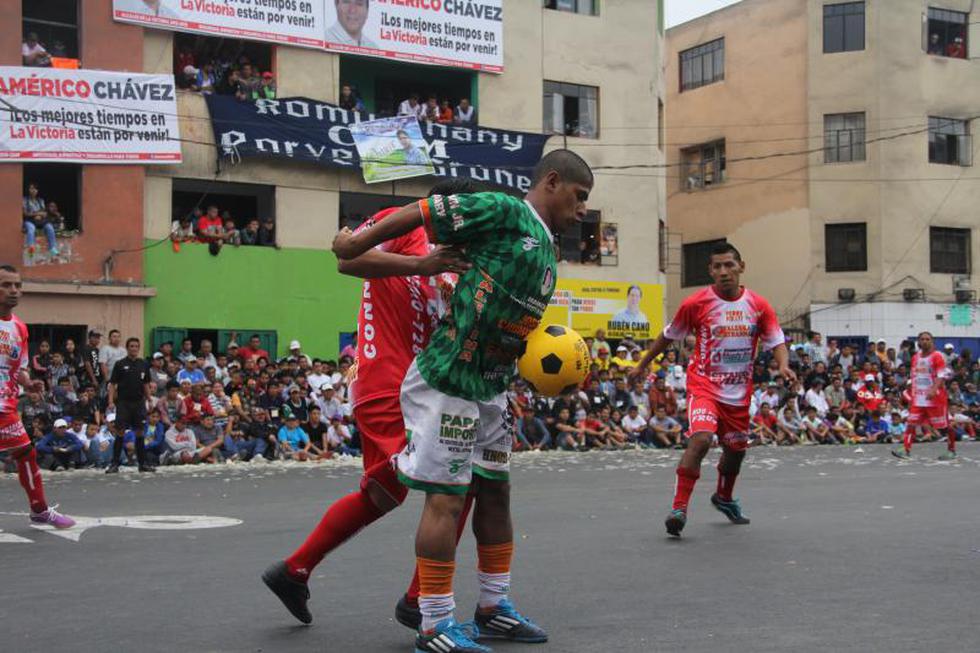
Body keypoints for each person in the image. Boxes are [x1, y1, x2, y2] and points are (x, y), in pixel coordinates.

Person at [329, 150, 592, 651]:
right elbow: (424, 212)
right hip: (449, 378)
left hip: (491, 385)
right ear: (552, 182)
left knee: (495, 493)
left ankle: (493, 607)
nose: (582, 209)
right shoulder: (507, 209)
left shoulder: (542, 246)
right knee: (446, 500)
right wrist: (355, 242)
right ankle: (433, 623)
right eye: (579, 197)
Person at [263, 179, 477, 627]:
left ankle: (294, 570)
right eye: (464, 214)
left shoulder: (460, 261)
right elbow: (347, 258)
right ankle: (420, 599)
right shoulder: (406, 228)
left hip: (422, 391)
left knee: (385, 492)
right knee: (457, 484)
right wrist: (422, 264)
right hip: (386, 382)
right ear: (440, 210)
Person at [631, 243, 794, 537]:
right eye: (717, 267)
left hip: (739, 393)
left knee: (735, 452)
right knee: (702, 439)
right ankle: (679, 509)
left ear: (741, 267)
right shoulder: (696, 303)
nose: (723, 272)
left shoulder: (758, 305)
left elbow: (776, 340)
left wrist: (783, 365)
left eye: (729, 265)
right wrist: (642, 365)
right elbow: (668, 337)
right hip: (704, 387)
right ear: (710, 271)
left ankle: (724, 497)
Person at [0, 265, 74, 528]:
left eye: (17, 285)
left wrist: (29, 383)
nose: (14, 290)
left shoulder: (19, 328)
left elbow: (17, 369)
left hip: (5, 407)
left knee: (26, 454)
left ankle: (40, 510)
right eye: (6, 285)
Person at [893, 331, 955, 460]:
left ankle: (951, 450)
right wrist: (913, 395)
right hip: (919, 399)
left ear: (932, 341)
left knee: (944, 426)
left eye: (927, 339)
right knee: (911, 423)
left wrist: (933, 389)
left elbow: (941, 375)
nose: (925, 341)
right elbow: (915, 376)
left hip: (935, 399)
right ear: (918, 342)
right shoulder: (916, 357)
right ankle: (906, 449)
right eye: (922, 339)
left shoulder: (937, 356)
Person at [106, 337, 154, 473]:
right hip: (123, 403)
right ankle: (114, 464)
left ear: (139, 348)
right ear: (127, 348)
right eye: (131, 346)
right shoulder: (120, 364)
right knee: (120, 431)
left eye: (136, 346)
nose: (134, 348)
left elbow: (146, 384)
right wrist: (110, 401)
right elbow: (112, 384)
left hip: (139, 402)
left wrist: (149, 399)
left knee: (139, 432)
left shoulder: (143, 364)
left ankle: (142, 464)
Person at [22, 182, 59, 255]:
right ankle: (31, 249)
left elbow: (44, 212)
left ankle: (52, 248)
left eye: (35, 189)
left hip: (40, 220)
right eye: (31, 188)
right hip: (29, 220)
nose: (33, 190)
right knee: (31, 229)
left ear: (37, 191)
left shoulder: (40, 200)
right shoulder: (24, 200)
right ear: (28, 190)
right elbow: (25, 213)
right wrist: (37, 214)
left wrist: (39, 215)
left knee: (50, 227)